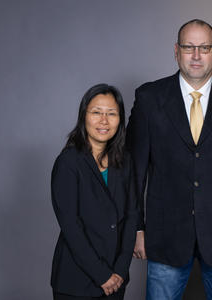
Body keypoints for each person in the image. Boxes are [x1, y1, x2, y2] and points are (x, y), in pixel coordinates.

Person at [126, 19, 212, 299]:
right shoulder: (149, 98)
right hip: (165, 234)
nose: (197, 55)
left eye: (204, 47)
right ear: (176, 51)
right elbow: (134, 172)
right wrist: (137, 227)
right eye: (189, 47)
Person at [50, 84, 138, 300]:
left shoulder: (125, 161)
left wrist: (119, 271)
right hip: (76, 280)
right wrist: (102, 275)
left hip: (116, 280)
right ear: (84, 116)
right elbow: (71, 226)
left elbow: (132, 215)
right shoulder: (68, 163)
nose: (104, 121)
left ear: (120, 119)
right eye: (96, 112)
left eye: (112, 114)